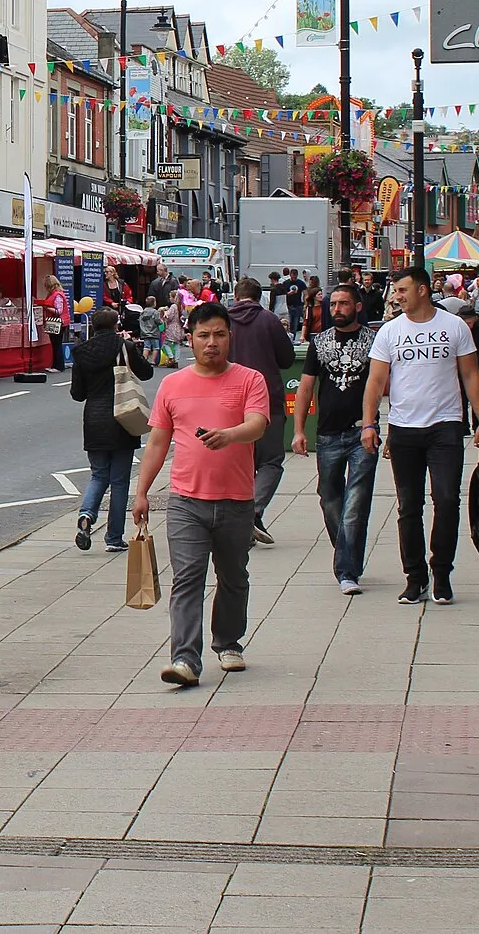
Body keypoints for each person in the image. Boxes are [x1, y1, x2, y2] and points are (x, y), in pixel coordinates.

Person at [131, 302, 269, 688]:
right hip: (186, 502)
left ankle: (228, 641)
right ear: (189, 339)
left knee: (233, 577)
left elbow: (257, 424)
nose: (212, 343)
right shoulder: (173, 385)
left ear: (230, 337)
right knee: (188, 577)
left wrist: (230, 435)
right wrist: (141, 493)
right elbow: (158, 442)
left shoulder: (249, 380)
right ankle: (185, 659)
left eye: (219, 335)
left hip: (237, 500)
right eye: (204, 335)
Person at [360, 264, 479, 606]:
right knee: (409, 506)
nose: (397, 297)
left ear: (421, 290)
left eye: (402, 290)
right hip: (404, 429)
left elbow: (471, 374)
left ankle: (442, 573)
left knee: (447, 500)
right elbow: (375, 382)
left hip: (446, 426)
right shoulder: (390, 332)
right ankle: (415, 576)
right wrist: (369, 423)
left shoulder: (454, 326)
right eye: (395, 291)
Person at [293, 282, 377, 595]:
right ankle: (348, 553)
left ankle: (346, 571)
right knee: (330, 499)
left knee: (355, 504)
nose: (337, 310)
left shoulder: (373, 341)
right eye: (333, 304)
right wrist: (300, 429)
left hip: (362, 431)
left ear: (357, 306)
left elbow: (385, 384)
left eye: (343, 304)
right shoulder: (320, 342)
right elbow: (305, 387)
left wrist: (385, 425)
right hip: (327, 434)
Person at [71, 305, 154, 554]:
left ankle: (86, 514)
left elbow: (78, 394)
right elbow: (147, 372)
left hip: (94, 420)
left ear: (93, 327)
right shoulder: (124, 347)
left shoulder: (81, 352)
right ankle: (113, 537)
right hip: (123, 417)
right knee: (119, 482)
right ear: (116, 325)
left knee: (98, 475)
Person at [226, 278, 296, 546]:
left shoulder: (223, 321)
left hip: (229, 400)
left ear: (236, 295)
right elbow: (287, 358)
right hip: (266, 398)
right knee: (270, 461)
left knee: (238, 463)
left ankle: (246, 519)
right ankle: (253, 510)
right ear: (260, 297)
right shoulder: (269, 321)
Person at [37, 274, 72, 371]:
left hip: (59, 322)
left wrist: (46, 307)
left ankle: (59, 366)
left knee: (57, 344)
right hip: (56, 322)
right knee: (55, 344)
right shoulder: (54, 294)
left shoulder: (57, 295)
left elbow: (59, 311)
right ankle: (55, 365)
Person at [281, 267, 306, 338]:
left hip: (298, 305)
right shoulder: (286, 283)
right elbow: (283, 294)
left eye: (295, 277)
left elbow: (305, 293)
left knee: (295, 322)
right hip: (288, 305)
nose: (294, 278)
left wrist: (304, 302)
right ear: (290, 275)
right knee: (289, 322)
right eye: (292, 277)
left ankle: (293, 337)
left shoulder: (300, 283)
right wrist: (288, 293)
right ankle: (289, 337)